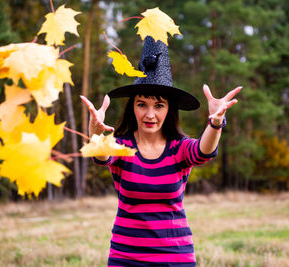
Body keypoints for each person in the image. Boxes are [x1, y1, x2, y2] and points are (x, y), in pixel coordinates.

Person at [81, 36, 241, 266]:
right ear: (132, 107)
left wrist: (215, 123)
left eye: (158, 105)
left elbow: (204, 150)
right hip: (126, 258)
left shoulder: (179, 149)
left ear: (169, 109)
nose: (150, 114)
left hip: (175, 258)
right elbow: (102, 154)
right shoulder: (121, 147)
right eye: (141, 104)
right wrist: (95, 132)